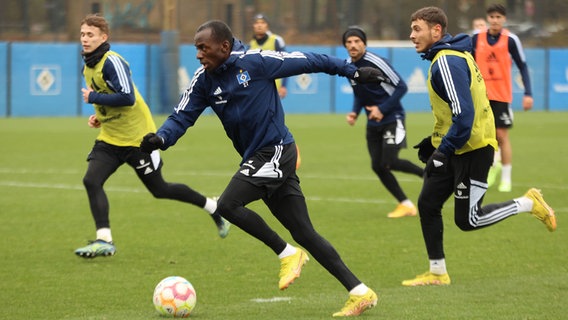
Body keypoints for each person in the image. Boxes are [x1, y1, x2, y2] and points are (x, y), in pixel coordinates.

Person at [140, 20, 382, 317]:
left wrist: (352, 70)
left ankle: (287, 253)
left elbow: (309, 61)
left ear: (224, 47)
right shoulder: (203, 80)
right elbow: (181, 116)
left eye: (204, 48)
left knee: (227, 204)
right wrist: (161, 138)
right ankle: (360, 292)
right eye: (196, 49)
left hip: (277, 150)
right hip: (258, 158)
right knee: (305, 232)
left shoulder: (255, 62)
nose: (199, 55)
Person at [404, 6, 556, 286]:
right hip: (460, 144)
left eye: (417, 29)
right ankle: (437, 273)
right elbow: (458, 113)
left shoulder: (447, 61)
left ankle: (527, 202)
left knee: (468, 220)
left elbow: (464, 116)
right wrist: (435, 141)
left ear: (436, 30)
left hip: (473, 149)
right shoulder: (449, 55)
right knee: (428, 204)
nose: (411, 35)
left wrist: (442, 151)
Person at [74, 14, 230, 258]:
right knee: (91, 181)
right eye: (82, 34)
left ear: (103, 37)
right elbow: (108, 97)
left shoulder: (111, 62)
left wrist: (93, 99)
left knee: (160, 189)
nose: (85, 39)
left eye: (90, 35)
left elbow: (127, 97)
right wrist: (99, 115)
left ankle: (213, 207)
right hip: (111, 138)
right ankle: (104, 240)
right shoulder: (88, 66)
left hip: (139, 140)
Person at [342, 26, 424, 218]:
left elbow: (401, 86)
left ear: (364, 43)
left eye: (357, 41)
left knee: (390, 161)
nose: (353, 45)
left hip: (392, 118)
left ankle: (428, 174)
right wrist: (355, 112)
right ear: (345, 45)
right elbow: (359, 94)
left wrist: (382, 109)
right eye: (349, 42)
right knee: (377, 166)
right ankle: (406, 205)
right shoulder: (348, 66)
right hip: (373, 122)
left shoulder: (376, 62)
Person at [472, 4, 533, 192]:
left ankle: (506, 177)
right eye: (492, 17)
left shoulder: (511, 40)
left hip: (502, 96)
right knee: (484, 138)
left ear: (504, 19)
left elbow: (522, 66)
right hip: (481, 97)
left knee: (502, 136)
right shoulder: (476, 38)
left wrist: (528, 93)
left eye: (499, 17)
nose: (495, 20)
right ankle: (492, 167)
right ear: (487, 18)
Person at [249, 13, 288, 99]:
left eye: (263, 22)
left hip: (274, 87)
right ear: (253, 26)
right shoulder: (251, 45)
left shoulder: (276, 40)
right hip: (257, 88)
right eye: (257, 23)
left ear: (267, 26)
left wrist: (284, 85)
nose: (259, 25)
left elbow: (286, 62)